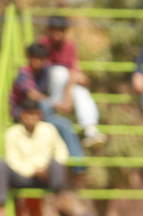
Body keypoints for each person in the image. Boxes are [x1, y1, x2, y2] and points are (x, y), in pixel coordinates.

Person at [0, 98, 69, 216]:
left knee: (57, 165)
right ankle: (1, 211)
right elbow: (13, 160)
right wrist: (33, 171)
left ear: (40, 115)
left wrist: (46, 169)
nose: (31, 118)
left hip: (46, 177)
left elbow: (61, 151)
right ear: (22, 115)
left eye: (34, 114)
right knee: (1, 164)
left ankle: (56, 213)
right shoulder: (12, 133)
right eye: (28, 114)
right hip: (23, 176)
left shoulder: (49, 130)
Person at [9, 43, 87, 169]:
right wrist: (57, 105)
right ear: (29, 57)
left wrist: (72, 83)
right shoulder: (24, 72)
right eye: (34, 57)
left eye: (40, 58)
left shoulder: (46, 70)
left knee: (66, 125)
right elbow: (33, 95)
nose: (36, 61)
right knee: (46, 108)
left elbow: (73, 75)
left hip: (41, 114)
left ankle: (78, 168)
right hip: (23, 114)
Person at [38, 16, 105, 149]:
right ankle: (57, 108)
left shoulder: (69, 46)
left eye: (60, 30)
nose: (57, 34)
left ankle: (90, 129)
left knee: (82, 92)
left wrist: (79, 78)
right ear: (49, 30)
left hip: (66, 87)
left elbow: (75, 70)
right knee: (59, 72)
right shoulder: (43, 44)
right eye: (54, 30)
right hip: (48, 89)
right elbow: (42, 70)